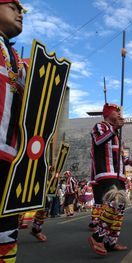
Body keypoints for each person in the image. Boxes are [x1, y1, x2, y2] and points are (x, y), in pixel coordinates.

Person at [88, 103, 132, 256]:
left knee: (120, 208)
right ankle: (97, 237)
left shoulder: (116, 134)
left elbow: (121, 157)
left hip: (118, 174)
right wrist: (114, 129)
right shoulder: (100, 126)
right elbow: (99, 141)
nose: (120, 115)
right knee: (114, 204)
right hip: (105, 172)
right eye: (117, 112)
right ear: (108, 114)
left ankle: (111, 242)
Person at [0, 1, 27, 261]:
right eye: (13, 6)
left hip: (11, 155)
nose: (20, 13)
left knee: (7, 232)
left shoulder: (17, 59)